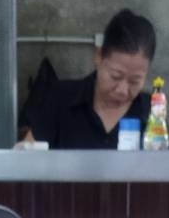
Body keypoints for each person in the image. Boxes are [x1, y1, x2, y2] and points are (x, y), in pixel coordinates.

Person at [19, 9, 155, 150]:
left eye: (134, 81)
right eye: (115, 76)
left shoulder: (152, 112)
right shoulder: (60, 99)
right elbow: (28, 154)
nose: (122, 90)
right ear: (99, 56)